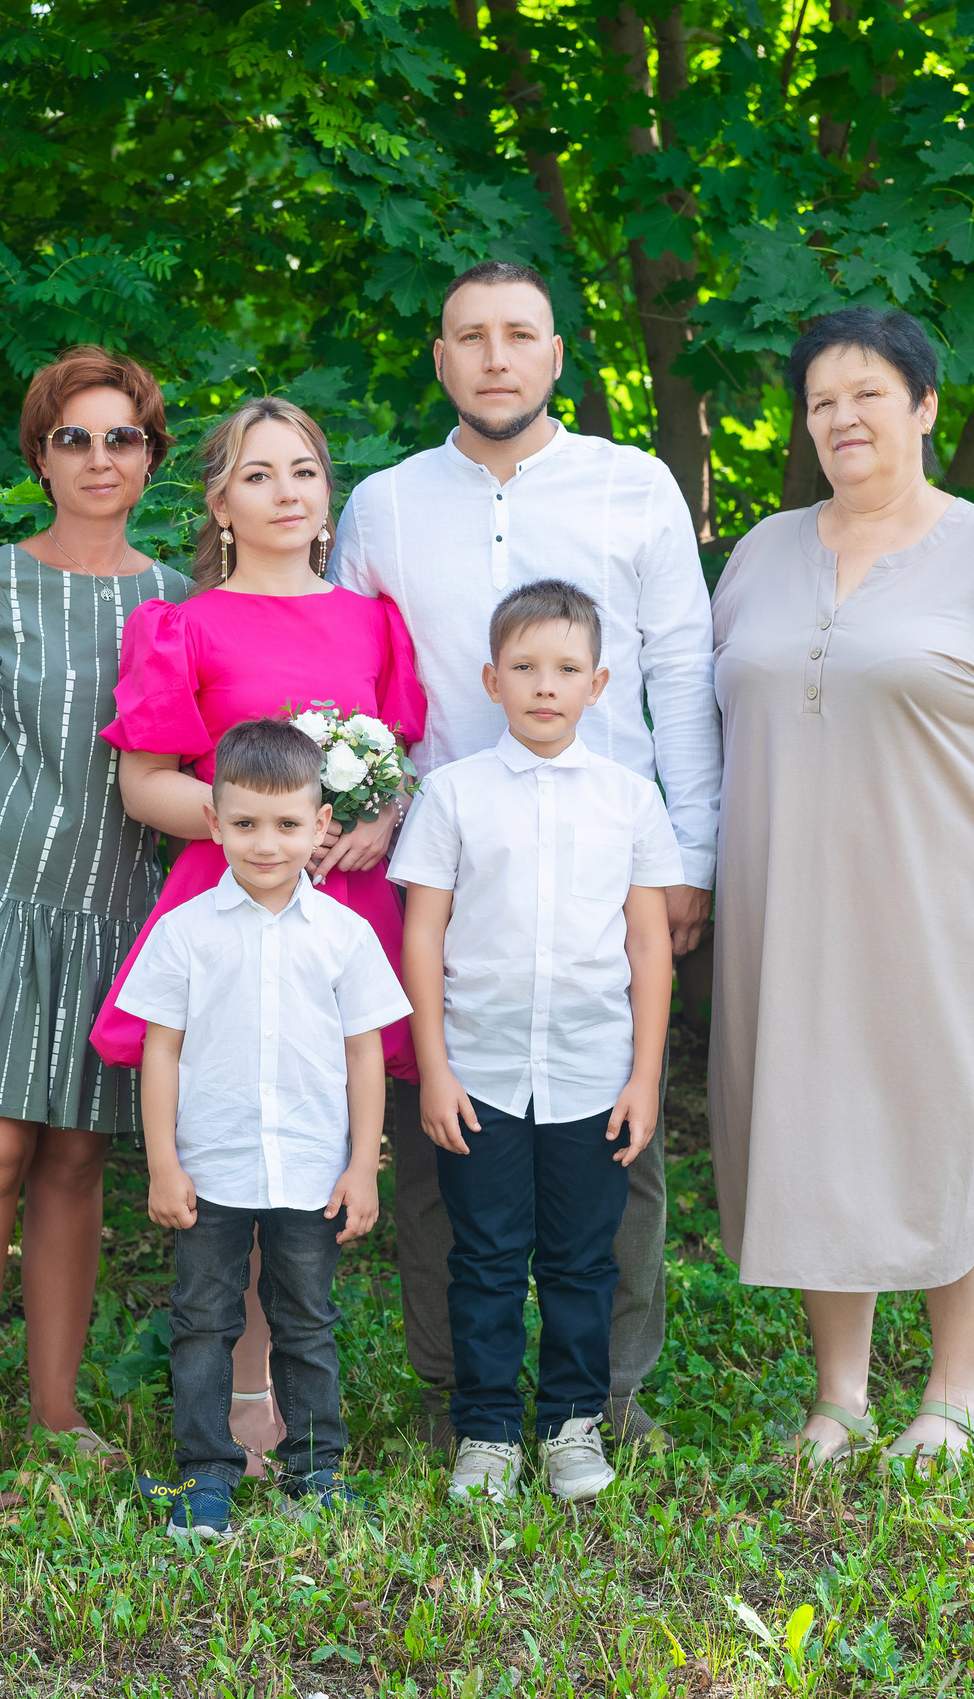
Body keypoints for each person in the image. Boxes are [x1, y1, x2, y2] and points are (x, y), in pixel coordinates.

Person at [707, 305, 974, 1470]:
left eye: (868, 394)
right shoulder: (759, 554)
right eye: (821, 400)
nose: (843, 417)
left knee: (960, 1125)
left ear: (925, 407)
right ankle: (838, 1397)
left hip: (957, 909)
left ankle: (951, 1395)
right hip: (789, 910)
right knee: (816, 1129)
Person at [333, 260, 720, 1456]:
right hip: (443, 862)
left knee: (615, 1133)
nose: (495, 356)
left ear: (556, 356)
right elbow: (357, 683)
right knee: (444, 1135)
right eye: (470, 336)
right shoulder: (386, 504)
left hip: (613, 859)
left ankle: (608, 1394)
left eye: (519, 335)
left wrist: (692, 853)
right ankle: (462, 1393)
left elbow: (681, 673)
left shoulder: (631, 484)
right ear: (440, 358)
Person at [91, 395, 427, 1473]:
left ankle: (311, 1374)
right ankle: (242, 1387)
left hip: (342, 906)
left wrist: (372, 818)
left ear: (328, 497)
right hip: (226, 902)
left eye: (304, 471)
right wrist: (264, 827)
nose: (286, 491)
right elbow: (145, 784)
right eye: (258, 473)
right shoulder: (184, 625)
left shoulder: (373, 623)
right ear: (221, 504)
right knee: (233, 1136)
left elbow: (397, 769)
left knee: (318, 1135)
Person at [0, 347, 188, 1504]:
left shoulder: (177, 598)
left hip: (117, 914)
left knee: (76, 1165)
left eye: (123, 437)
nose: (99, 458)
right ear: (40, 456)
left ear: (153, 457)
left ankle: (57, 1411)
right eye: (75, 437)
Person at [391, 581, 682, 1503]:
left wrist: (644, 1077)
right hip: (478, 1072)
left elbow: (649, 945)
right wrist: (434, 1070)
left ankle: (571, 1425)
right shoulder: (452, 794)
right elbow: (423, 937)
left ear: (599, 684)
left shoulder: (630, 800)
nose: (544, 685)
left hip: (593, 1072)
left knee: (582, 1259)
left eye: (565, 668)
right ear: (491, 680)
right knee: (481, 1256)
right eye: (524, 666)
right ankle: (485, 1431)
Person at [121, 719, 412, 1542]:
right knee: (203, 1321)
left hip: (311, 1169)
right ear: (213, 822)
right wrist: (163, 1163)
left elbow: (364, 1056)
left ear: (321, 825)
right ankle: (204, 1473)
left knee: (307, 1320)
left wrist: (364, 1164)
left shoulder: (344, 936)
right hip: (211, 1166)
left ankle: (314, 1470)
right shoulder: (185, 932)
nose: (265, 842)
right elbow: (160, 1051)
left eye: (286, 823)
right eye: (245, 822)